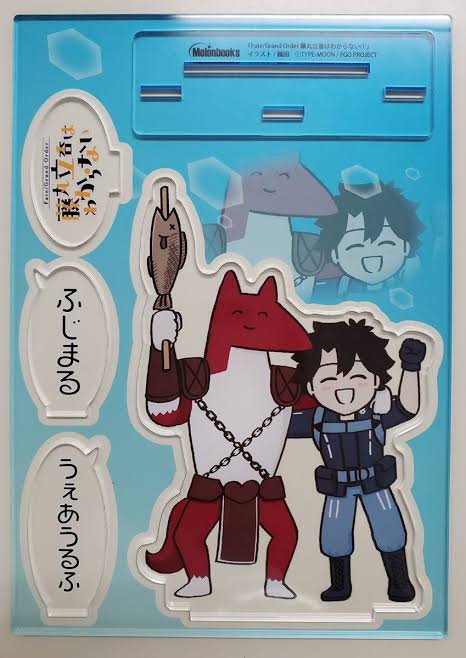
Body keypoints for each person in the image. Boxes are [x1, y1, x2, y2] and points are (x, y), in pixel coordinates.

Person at [288, 319, 426, 602]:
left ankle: (399, 581)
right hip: (338, 488)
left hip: (375, 483)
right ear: (310, 386)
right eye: (328, 380)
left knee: (390, 530)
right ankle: (340, 585)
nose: (344, 389)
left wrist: (411, 367)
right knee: (334, 535)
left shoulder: (377, 413)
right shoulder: (315, 419)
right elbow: (274, 425)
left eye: (358, 377)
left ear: (376, 380)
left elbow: (407, 408)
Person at [314, 182, 423, 298]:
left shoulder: (414, 284)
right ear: (335, 254)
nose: (372, 261)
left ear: (406, 247)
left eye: (386, 244)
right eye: (355, 247)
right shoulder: (325, 290)